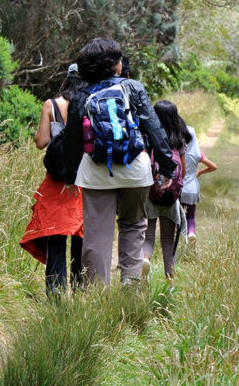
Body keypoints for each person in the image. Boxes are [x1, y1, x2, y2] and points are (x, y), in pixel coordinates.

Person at [67, 38, 176, 286]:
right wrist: (168, 167)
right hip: (135, 170)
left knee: (96, 234)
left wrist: (68, 174)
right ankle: (130, 285)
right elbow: (155, 130)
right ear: (116, 65)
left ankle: (96, 295)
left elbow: (72, 142)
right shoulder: (133, 87)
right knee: (134, 224)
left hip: (95, 173)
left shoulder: (82, 96)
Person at [19, 64, 85, 299]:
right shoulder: (89, 103)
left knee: (56, 234)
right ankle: (80, 288)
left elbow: (40, 141)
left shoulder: (51, 105)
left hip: (56, 182)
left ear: (65, 80)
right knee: (81, 234)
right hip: (83, 180)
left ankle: (56, 290)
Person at [141, 100, 195, 277]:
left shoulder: (148, 139)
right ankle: (170, 280)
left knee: (148, 237)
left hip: (151, 194)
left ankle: (145, 259)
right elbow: (184, 171)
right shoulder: (179, 141)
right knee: (167, 240)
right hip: (171, 197)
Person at [179, 115, 217, 247]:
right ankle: (191, 233)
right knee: (191, 216)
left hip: (179, 190)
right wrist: (200, 172)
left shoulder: (177, 152)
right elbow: (213, 166)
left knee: (177, 217)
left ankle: (179, 238)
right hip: (192, 190)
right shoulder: (197, 154)